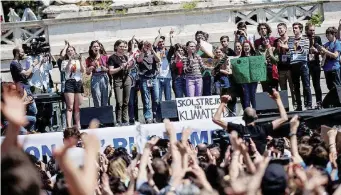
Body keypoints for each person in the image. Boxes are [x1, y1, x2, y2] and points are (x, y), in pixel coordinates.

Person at [212, 88, 288, 155]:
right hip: (260, 161)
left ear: (243, 118)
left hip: (245, 163)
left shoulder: (239, 129)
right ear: (256, 117)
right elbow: (284, 118)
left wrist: (223, 102)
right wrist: (278, 99)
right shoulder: (264, 129)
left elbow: (216, 119)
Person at [288, 22, 312, 111]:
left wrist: (299, 47)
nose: (294, 29)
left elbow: (305, 52)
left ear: (300, 29)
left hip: (303, 63)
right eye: (293, 28)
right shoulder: (290, 40)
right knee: (296, 86)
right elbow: (290, 52)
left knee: (306, 85)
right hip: (294, 64)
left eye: (296, 28)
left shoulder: (305, 39)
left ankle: (309, 104)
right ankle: (299, 105)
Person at [109, 40, 133, 126]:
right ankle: (118, 120)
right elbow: (111, 71)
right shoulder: (112, 58)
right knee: (119, 102)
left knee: (126, 101)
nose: (122, 48)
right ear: (116, 47)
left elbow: (127, 68)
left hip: (126, 79)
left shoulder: (125, 57)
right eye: (121, 46)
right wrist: (120, 67)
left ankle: (125, 119)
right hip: (117, 80)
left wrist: (130, 65)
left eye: (124, 46)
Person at [136, 41, 161, 124]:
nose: (147, 47)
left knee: (156, 98)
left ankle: (155, 116)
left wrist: (152, 50)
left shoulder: (152, 54)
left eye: (147, 45)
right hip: (144, 79)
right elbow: (139, 60)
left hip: (154, 78)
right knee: (146, 100)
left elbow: (158, 59)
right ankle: (148, 117)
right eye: (145, 46)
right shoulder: (138, 54)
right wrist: (143, 51)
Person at [61, 45, 85, 129]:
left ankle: (78, 124)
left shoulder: (78, 61)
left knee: (77, 106)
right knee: (70, 106)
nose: (70, 52)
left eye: (72, 50)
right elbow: (66, 70)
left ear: (74, 51)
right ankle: (69, 125)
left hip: (78, 82)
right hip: (69, 82)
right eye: (68, 51)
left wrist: (80, 61)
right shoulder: (64, 61)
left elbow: (82, 71)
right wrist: (69, 61)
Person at [274, 23, 296, 109]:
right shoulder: (276, 41)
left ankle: (295, 105)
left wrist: (283, 46)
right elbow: (275, 53)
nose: (279, 30)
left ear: (285, 29)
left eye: (281, 28)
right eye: (278, 29)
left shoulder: (291, 40)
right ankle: (285, 108)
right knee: (283, 90)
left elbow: (292, 50)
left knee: (293, 88)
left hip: (290, 68)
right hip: (280, 68)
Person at [212, 46, 236, 115]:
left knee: (226, 95)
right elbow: (213, 73)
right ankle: (223, 111)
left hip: (225, 78)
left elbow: (227, 71)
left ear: (222, 52)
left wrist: (219, 70)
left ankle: (229, 111)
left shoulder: (226, 59)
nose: (218, 53)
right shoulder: (213, 60)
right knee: (218, 94)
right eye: (216, 52)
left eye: (219, 52)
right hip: (217, 79)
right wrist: (214, 70)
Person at [86, 40, 110, 107]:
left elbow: (109, 69)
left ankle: (104, 116)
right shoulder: (89, 59)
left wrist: (105, 69)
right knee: (96, 98)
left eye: (97, 46)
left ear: (99, 47)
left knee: (105, 98)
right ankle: (98, 115)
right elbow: (87, 72)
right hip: (95, 77)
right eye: (94, 46)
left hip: (104, 77)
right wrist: (90, 68)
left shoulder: (105, 57)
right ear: (91, 48)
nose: (96, 48)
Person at [305, 23, 323, 109]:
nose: (312, 32)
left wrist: (316, 50)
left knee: (317, 84)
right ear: (306, 30)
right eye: (310, 30)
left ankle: (319, 102)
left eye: (313, 30)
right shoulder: (304, 39)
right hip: (306, 64)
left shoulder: (317, 38)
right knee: (306, 85)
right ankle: (308, 104)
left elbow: (321, 50)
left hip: (315, 63)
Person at [153, 29, 173, 101]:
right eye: (159, 42)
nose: (161, 43)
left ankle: (169, 112)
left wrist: (170, 36)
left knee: (168, 98)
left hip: (167, 77)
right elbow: (153, 46)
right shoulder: (155, 52)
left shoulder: (167, 52)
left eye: (162, 41)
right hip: (158, 78)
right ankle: (159, 112)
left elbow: (173, 47)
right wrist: (159, 34)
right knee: (158, 98)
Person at [195, 31, 214, 96]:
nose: (200, 37)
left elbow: (212, 58)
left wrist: (204, 50)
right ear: (195, 38)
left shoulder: (209, 46)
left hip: (206, 73)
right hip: (196, 74)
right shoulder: (193, 47)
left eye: (201, 36)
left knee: (207, 93)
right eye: (198, 36)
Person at [240, 41, 258, 109]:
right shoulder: (241, 58)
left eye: (247, 46)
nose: (246, 48)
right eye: (245, 46)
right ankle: (248, 113)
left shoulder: (255, 57)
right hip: (245, 80)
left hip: (253, 80)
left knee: (253, 95)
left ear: (250, 47)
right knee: (246, 96)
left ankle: (255, 111)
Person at [127, 37, 140, 125]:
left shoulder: (140, 53)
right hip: (130, 79)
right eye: (132, 43)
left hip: (138, 79)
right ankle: (131, 118)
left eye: (135, 43)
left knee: (136, 100)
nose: (134, 44)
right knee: (131, 101)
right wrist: (132, 51)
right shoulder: (128, 54)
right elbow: (128, 63)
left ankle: (137, 117)